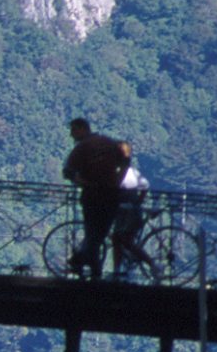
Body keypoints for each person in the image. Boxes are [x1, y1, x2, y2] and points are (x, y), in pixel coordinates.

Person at [60, 117, 125, 278]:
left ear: (82, 129)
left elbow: (68, 171)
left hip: (92, 194)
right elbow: (125, 161)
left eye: (73, 131)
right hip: (112, 194)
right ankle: (89, 266)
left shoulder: (82, 148)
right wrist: (118, 180)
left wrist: (82, 183)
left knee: (93, 232)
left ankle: (84, 263)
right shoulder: (108, 143)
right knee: (99, 233)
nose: (71, 135)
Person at [111, 142, 150, 280]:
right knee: (117, 239)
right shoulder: (133, 172)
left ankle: (152, 264)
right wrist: (138, 201)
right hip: (126, 210)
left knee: (124, 241)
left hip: (128, 212)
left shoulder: (124, 172)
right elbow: (145, 186)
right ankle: (117, 269)